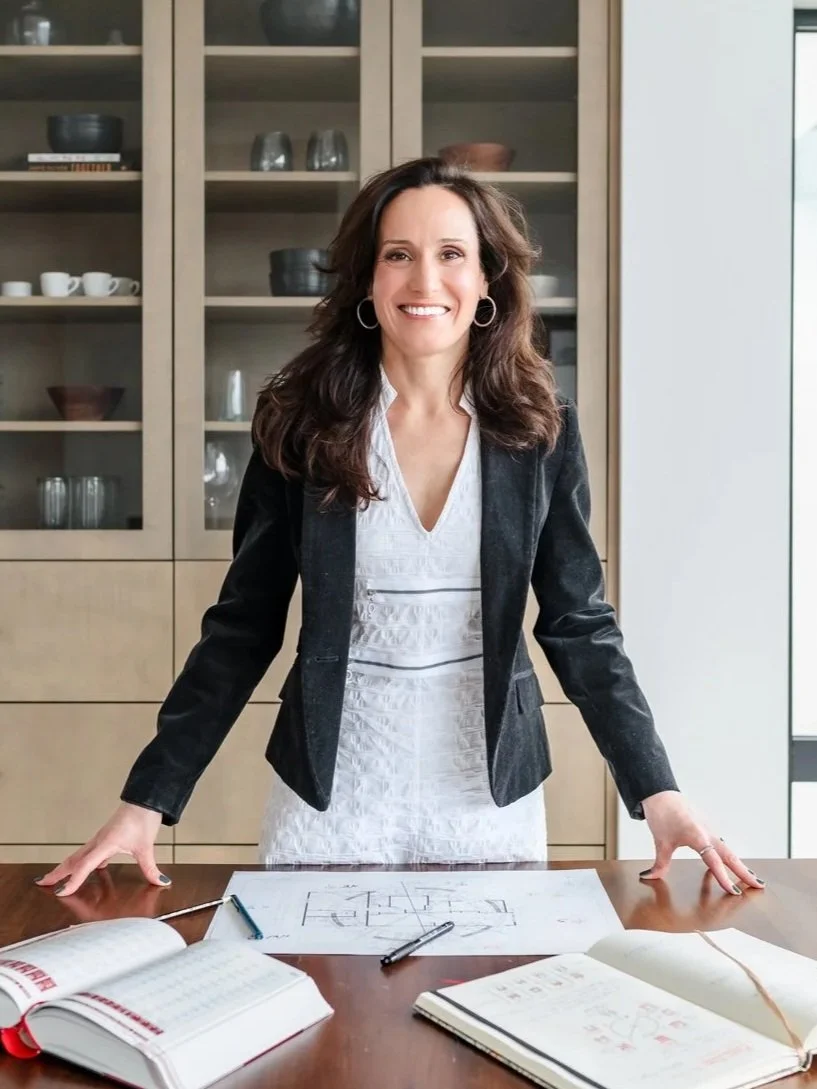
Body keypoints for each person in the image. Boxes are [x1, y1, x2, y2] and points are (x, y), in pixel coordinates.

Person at [36, 157, 764, 897]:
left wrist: (656, 791)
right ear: (366, 280)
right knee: (326, 1010)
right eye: (397, 255)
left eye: (451, 254)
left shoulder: (539, 430)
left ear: (486, 280)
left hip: (487, 798)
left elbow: (578, 622)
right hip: (331, 794)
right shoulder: (302, 426)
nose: (424, 282)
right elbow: (242, 626)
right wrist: (148, 797)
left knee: (475, 1008)